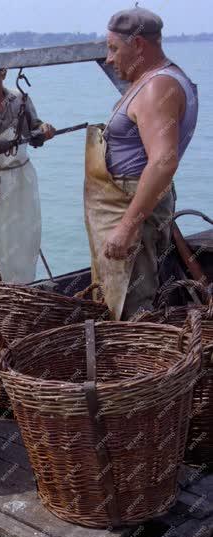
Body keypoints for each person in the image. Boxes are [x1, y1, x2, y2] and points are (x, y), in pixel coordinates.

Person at [85, 6, 198, 319]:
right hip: (128, 203)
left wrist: (125, 227)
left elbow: (163, 161)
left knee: (132, 307)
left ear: (138, 45)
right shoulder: (151, 81)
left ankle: (138, 366)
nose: (109, 58)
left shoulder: (157, 87)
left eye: (113, 49)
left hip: (131, 207)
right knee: (118, 300)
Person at [0, 68, 55, 284]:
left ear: (4, 74)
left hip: (22, 181)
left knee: (25, 237)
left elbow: (34, 133)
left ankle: (23, 286)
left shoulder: (20, 100)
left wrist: (44, 130)